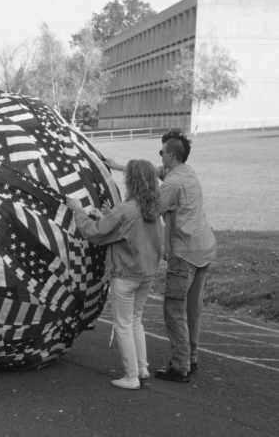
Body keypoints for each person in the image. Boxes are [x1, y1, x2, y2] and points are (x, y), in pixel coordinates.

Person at [66, 160, 163, 390]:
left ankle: (131, 377)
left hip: (125, 275)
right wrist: (106, 216)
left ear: (132, 181)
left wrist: (78, 210)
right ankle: (141, 367)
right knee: (136, 320)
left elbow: (94, 233)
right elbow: (126, 229)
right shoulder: (153, 208)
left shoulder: (125, 209)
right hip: (147, 274)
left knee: (122, 324)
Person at [154, 130, 216, 383]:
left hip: (184, 253)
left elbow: (151, 209)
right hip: (204, 248)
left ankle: (180, 366)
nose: (160, 157)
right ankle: (191, 357)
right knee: (193, 309)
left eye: (161, 153)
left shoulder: (172, 184)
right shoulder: (186, 172)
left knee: (173, 309)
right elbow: (157, 172)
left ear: (170, 155)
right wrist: (119, 166)